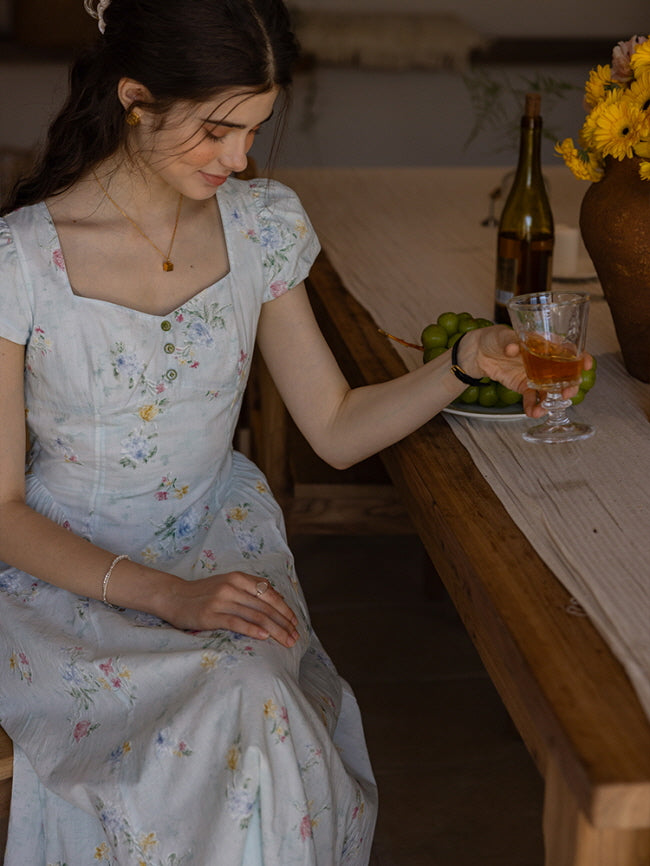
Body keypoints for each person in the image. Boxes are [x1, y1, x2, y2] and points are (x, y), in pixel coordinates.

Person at [0, 1, 579, 863]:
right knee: (235, 702)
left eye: (255, 130)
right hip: (72, 575)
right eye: (217, 130)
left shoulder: (259, 224)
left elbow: (336, 426)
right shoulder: (19, 261)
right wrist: (168, 597)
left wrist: (462, 363)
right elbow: (3, 510)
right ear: (135, 98)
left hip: (216, 541)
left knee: (252, 693)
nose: (239, 159)